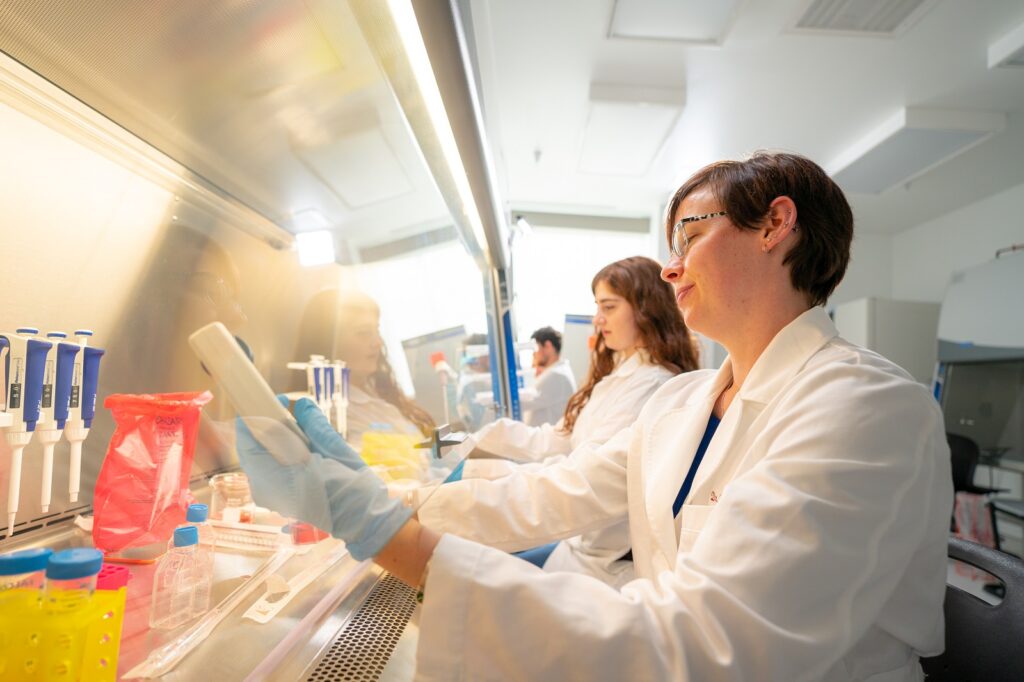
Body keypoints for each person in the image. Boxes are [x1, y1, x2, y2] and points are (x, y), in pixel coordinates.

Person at [238, 152, 952, 680]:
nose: (672, 271)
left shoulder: (865, 408)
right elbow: (562, 489)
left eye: (690, 237)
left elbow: (714, 646)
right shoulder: (684, 401)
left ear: (775, 224)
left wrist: (385, 534)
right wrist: (401, 504)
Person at [416, 256, 700, 586]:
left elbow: (582, 476)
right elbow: (562, 438)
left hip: (600, 561)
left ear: (646, 308)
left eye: (608, 307)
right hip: (578, 544)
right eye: (598, 307)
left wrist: (477, 477)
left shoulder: (652, 383)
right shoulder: (623, 375)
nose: (598, 319)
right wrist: (474, 444)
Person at [293, 289, 434, 450]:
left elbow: (424, 456)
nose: (378, 343)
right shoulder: (331, 415)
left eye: (377, 331)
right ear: (327, 343)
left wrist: (464, 451)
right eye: (364, 333)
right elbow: (400, 469)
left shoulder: (376, 391)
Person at [519, 326, 576, 426]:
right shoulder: (558, 372)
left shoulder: (556, 375)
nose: (533, 355)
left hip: (544, 439)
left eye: (535, 349)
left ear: (548, 346)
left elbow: (521, 403)